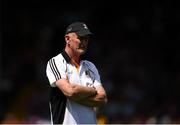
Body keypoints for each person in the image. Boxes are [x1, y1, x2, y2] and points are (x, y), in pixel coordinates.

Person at [46, 21, 107, 124]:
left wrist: (76, 96)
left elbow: (102, 98)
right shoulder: (56, 62)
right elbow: (70, 91)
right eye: (81, 38)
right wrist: (92, 90)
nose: (84, 42)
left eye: (86, 39)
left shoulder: (90, 66)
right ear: (67, 39)